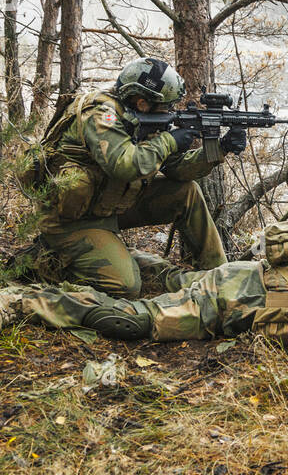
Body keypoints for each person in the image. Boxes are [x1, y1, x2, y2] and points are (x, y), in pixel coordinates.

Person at [0, 230, 288, 370]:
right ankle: (15, 303)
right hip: (221, 305)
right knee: (134, 320)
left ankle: (109, 254)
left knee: (170, 278)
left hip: (235, 278)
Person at [22, 56, 247, 297]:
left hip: (110, 206)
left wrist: (220, 149)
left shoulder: (143, 118)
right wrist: (169, 141)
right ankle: (49, 259)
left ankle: (223, 276)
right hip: (71, 219)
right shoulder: (100, 114)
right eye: (166, 107)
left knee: (187, 192)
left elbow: (177, 170)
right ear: (142, 103)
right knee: (126, 286)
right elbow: (124, 166)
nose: (170, 112)